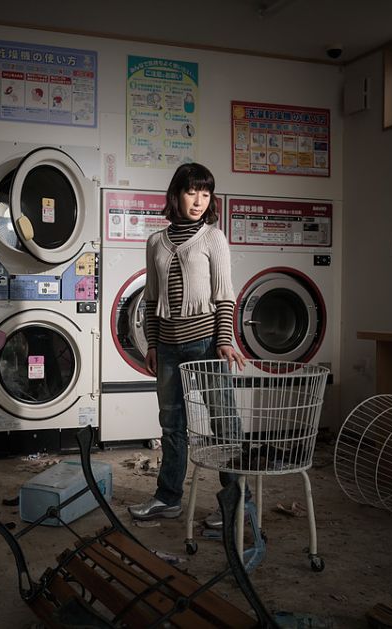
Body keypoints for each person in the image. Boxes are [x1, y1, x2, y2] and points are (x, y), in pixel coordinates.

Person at [128, 162, 247, 523]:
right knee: (172, 424)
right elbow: (151, 299)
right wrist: (151, 344)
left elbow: (225, 296)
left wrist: (224, 340)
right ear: (176, 195)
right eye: (191, 191)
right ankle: (168, 498)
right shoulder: (155, 242)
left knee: (224, 422)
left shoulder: (213, 237)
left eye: (205, 193)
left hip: (205, 342)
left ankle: (237, 501)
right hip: (166, 346)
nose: (198, 201)